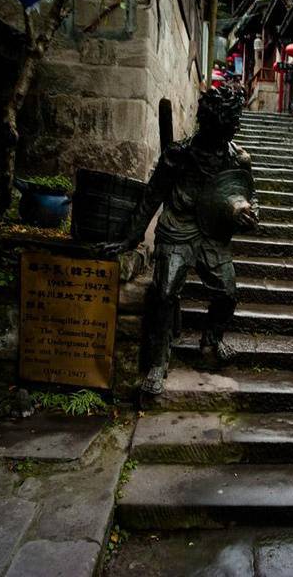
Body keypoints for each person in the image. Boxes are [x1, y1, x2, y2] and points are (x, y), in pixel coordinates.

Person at [100, 86, 258, 404]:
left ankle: (211, 340)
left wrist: (251, 212)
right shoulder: (179, 154)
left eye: (234, 124)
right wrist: (130, 237)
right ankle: (157, 364)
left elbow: (249, 193)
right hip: (178, 228)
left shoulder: (239, 158)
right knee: (164, 291)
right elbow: (152, 196)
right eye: (226, 125)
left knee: (227, 293)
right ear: (210, 124)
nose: (232, 130)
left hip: (213, 235)